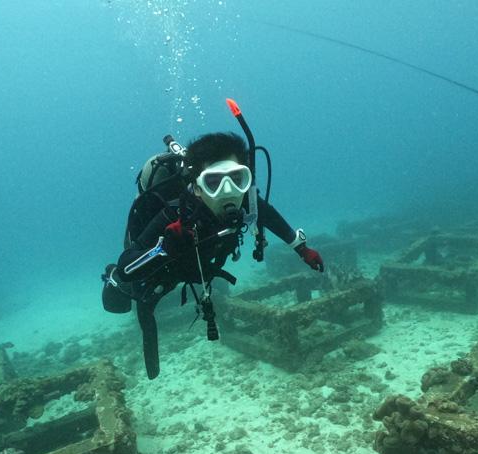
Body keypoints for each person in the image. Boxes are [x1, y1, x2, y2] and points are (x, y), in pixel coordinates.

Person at [101, 129, 324, 380]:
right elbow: (127, 267)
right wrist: (164, 249)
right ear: (196, 187)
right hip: (163, 269)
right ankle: (114, 286)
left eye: (237, 179)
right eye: (214, 183)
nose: (228, 192)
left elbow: (270, 217)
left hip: (200, 265)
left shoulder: (247, 202)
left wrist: (302, 249)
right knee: (133, 298)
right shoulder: (175, 214)